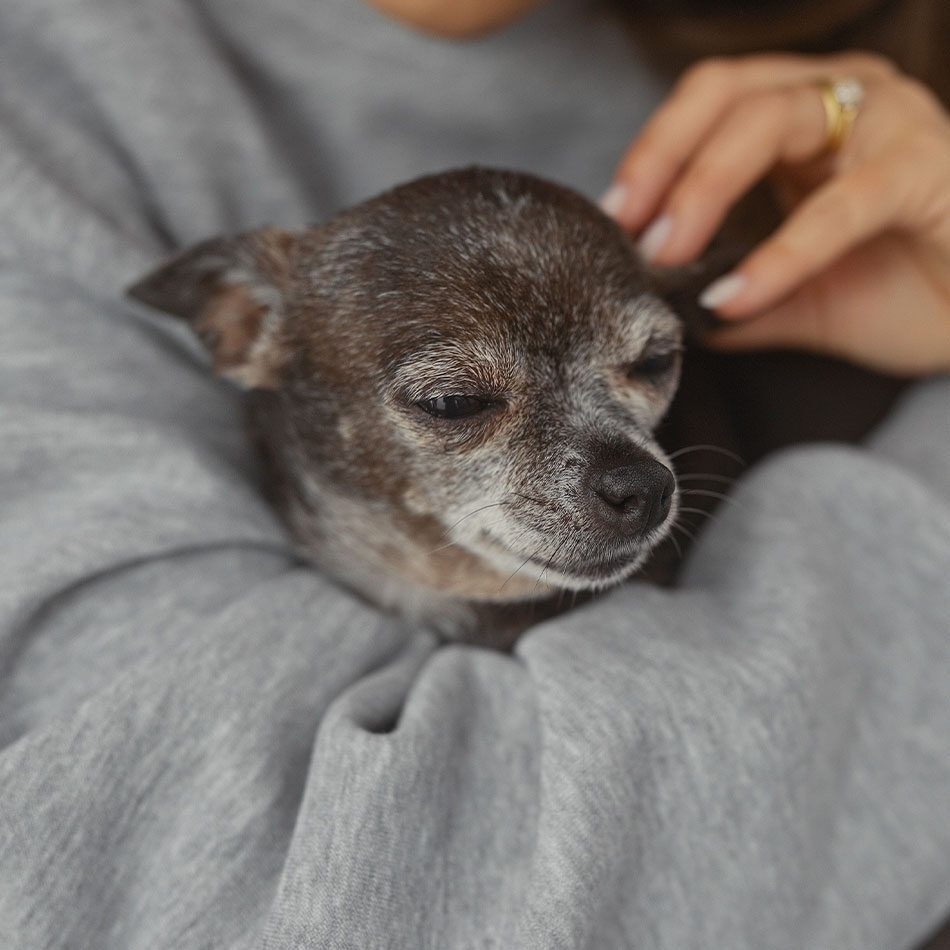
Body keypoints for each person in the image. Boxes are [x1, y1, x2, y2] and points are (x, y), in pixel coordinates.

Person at [0, 2, 948, 949]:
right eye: (458, 403)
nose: (636, 478)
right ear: (242, 326)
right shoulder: (48, 93)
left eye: (647, 366)